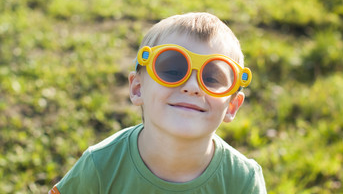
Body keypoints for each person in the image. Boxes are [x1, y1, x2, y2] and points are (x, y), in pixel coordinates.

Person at [49, 12, 267, 193]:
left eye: (211, 78)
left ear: (231, 106)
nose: (192, 87)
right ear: (138, 88)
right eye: (172, 71)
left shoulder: (242, 181)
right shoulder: (100, 165)